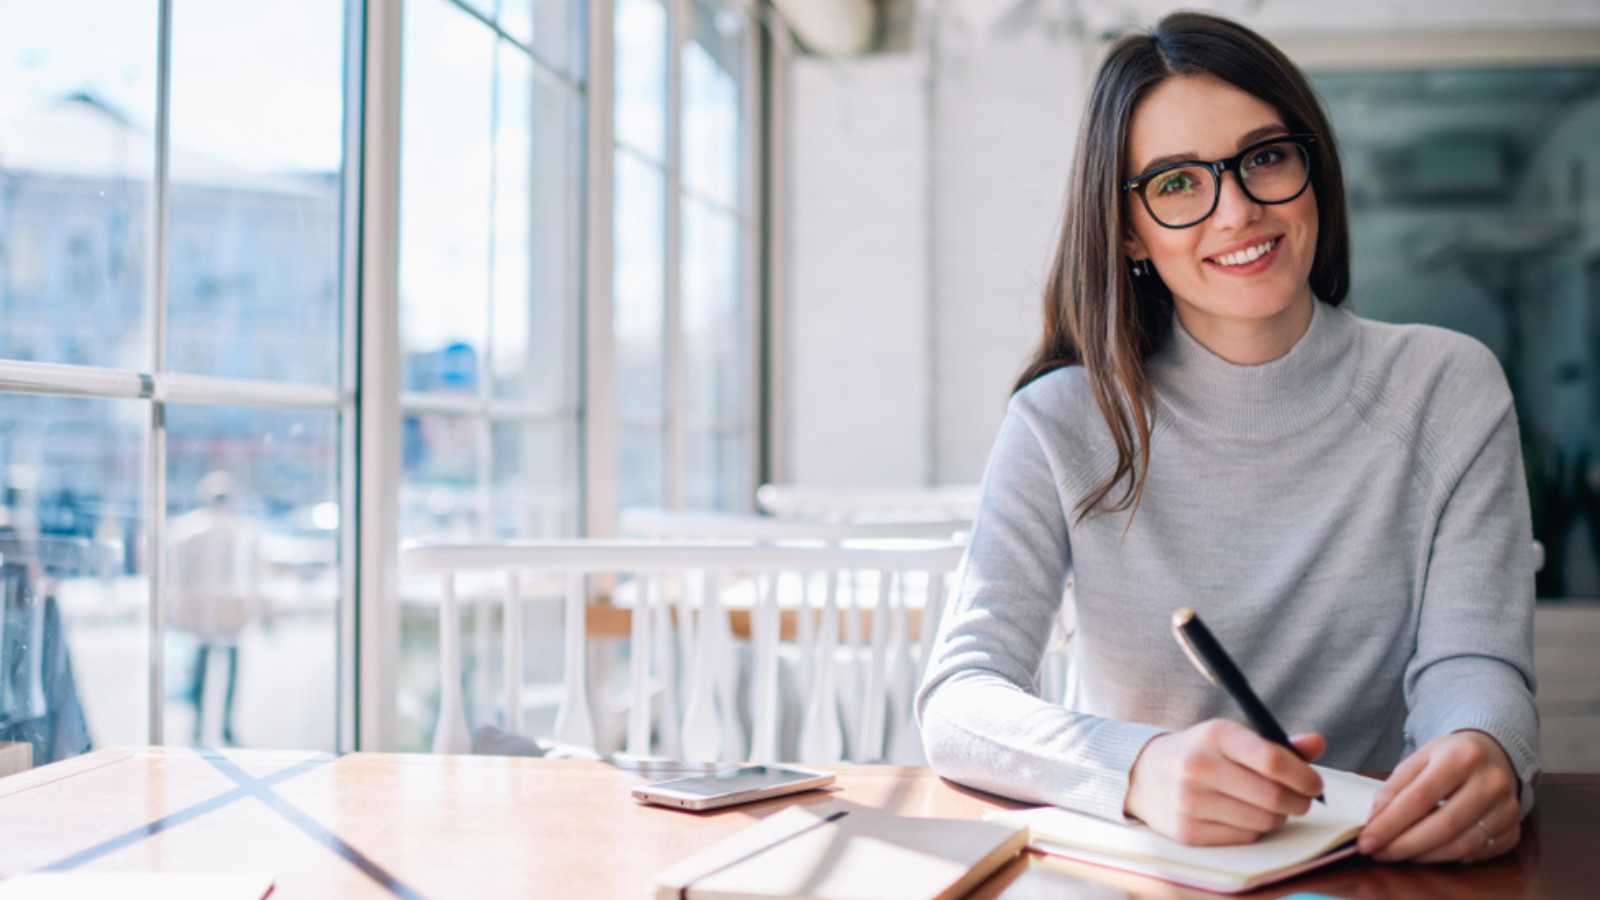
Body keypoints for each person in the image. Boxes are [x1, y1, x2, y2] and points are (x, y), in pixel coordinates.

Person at [915, 12, 1538, 866]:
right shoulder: (1059, 420)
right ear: (1128, 230)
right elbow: (959, 699)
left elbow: (1474, 660)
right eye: (1176, 183)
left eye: (1266, 158)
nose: (1238, 211)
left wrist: (1488, 743)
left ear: (1311, 165)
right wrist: (1135, 768)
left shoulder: (1446, 386)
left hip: (1378, 862)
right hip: (1151, 869)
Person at [167, 471, 265, 746]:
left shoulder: (231, 530)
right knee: (209, 668)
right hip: (213, 608)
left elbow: (250, 574)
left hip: (219, 608)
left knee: (212, 666)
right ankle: (213, 725)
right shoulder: (200, 530)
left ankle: (214, 725)